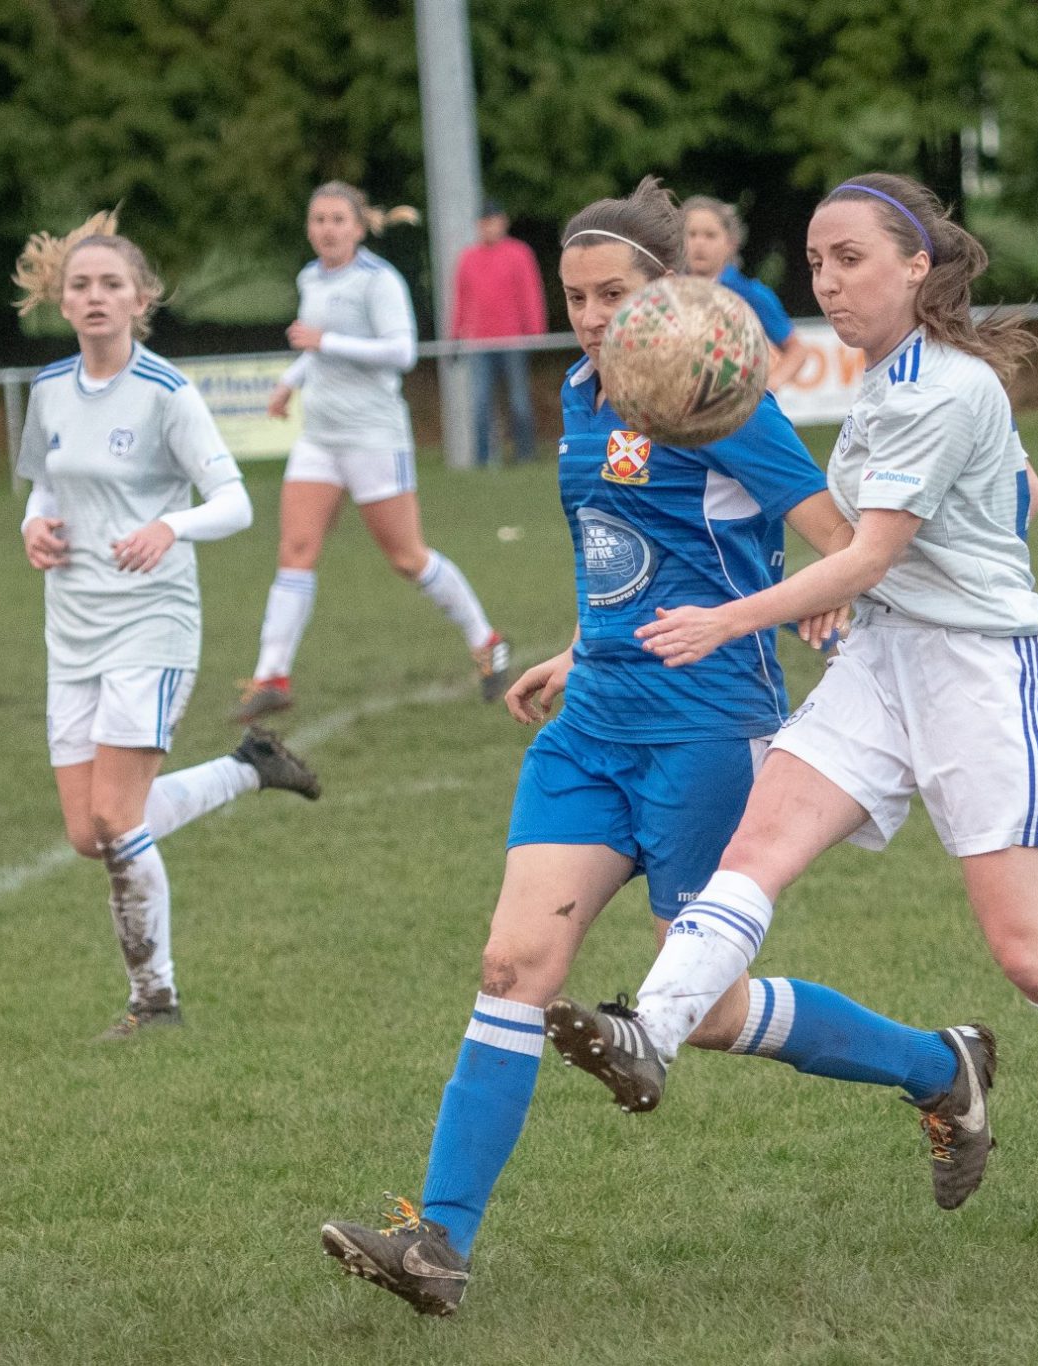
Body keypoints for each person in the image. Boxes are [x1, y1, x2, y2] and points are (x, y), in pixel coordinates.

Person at [318, 178, 996, 1319]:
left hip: (704, 731)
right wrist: (578, 648)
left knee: (705, 1007)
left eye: (611, 295)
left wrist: (809, 613)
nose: (588, 317)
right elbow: (630, 552)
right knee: (511, 971)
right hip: (591, 733)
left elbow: (837, 544)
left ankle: (936, 1066)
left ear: (668, 294)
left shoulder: (722, 398)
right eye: (574, 296)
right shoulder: (587, 392)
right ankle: (437, 1244)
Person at [548, 172, 1038, 1244]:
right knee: (755, 851)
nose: (828, 280)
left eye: (850, 258)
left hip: (978, 678)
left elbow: (864, 550)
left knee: (1027, 952)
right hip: (882, 663)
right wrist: (918, 551)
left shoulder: (936, 386)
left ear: (917, 265)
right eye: (816, 261)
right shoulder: (889, 379)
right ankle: (650, 1028)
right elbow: (1020, 497)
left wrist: (735, 619)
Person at [12, 211, 322, 1040]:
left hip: (152, 622)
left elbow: (234, 502)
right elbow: (43, 489)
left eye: (112, 284)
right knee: (90, 833)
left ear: (142, 298)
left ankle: (156, 999)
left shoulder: (166, 393)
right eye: (81, 284)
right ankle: (249, 768)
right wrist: (32, 529)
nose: (95, 296)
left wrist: (168, 527)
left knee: (118, 823)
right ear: (64, 300)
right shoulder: (47, 389)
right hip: (70, 625)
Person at [236, 182, 511, 722]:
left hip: (373, 437)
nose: (326, 229)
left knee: (407, 557)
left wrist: (324, 343)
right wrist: (290, 380)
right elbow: (314, 349)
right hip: (320, 438)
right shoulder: (310, 278)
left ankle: (487, 640)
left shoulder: (379, 281)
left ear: (359, 228)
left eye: (338, 219)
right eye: (318, 219)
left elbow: (402, 352)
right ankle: (272, 675)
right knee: (295, 550)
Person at [452, 199, 547, 465]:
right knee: (480, 404)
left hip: (513, 339)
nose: (488, 227)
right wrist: (455, 337)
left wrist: (535, 333)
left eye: (493, 221)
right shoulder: (468, 258)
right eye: (484, 223)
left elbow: (530, 294)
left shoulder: (519, 253)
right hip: (478, 343)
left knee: (519, 401)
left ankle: (525, 456)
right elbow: (460, 299)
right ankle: (482, 460)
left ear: (502, 222)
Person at [682, 195, 803, 389]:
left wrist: (768, 387)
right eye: (691, 234)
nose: (699, 243)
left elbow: (796, 350)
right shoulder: (667, 292)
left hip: (736, 411)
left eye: (710, 235)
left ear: (731, 243)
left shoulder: (749, 293)